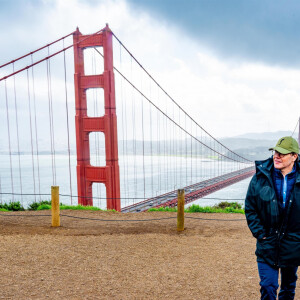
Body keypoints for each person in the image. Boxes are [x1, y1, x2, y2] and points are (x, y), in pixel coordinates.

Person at [245, 136, 300, 300]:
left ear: (294, 156)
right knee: (268, 287)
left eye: (282, 153)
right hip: (267, 243)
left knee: (288, 289)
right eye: (276, 151)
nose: (277, 155)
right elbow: (250, 207)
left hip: (293, 245)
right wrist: (260, 233)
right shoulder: (260, 177)